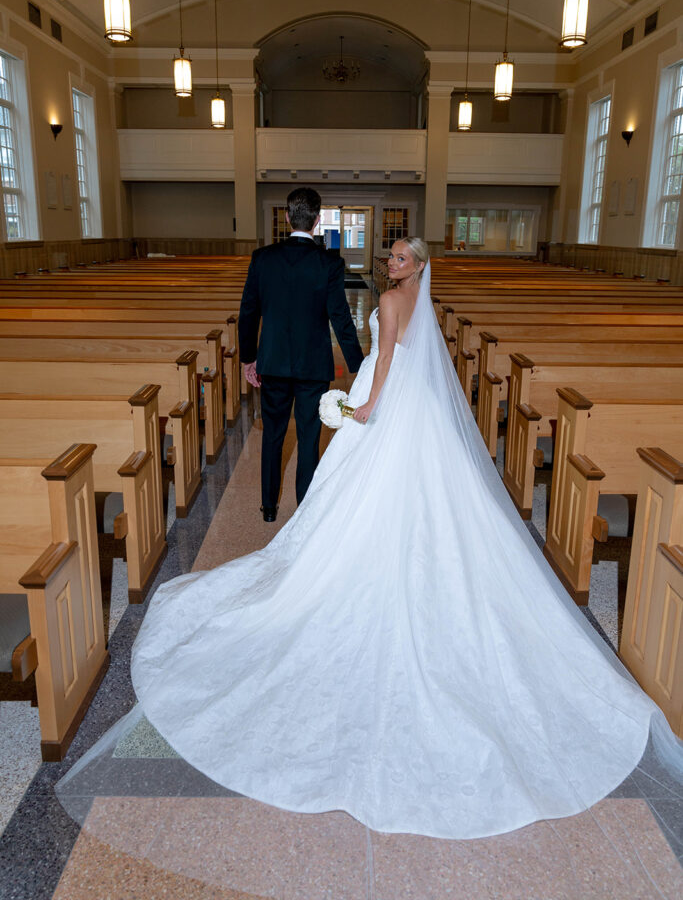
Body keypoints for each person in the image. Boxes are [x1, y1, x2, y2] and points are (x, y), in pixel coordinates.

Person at [59, 237, 682, 842]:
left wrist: (367, 407)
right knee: (423, 499)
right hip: (422, 411)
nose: (392, 262)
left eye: (402, 258)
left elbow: (383, 363)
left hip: (388, 403)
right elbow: (408, 354)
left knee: (358, 496)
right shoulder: (419, 302)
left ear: (417, 266)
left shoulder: (387, 300)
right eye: (393, 256)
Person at [238, 186, 364, 521]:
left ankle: (268, 507)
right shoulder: (329, 263)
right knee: (309, 438)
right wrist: (358, 365)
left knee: (273, 435)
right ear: (317, 220)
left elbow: (248, 312)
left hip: (273, 362)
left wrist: (248, 358)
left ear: (286, 217)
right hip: (313, 365)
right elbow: (340, 316)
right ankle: (304, 512)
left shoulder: (262, 258)